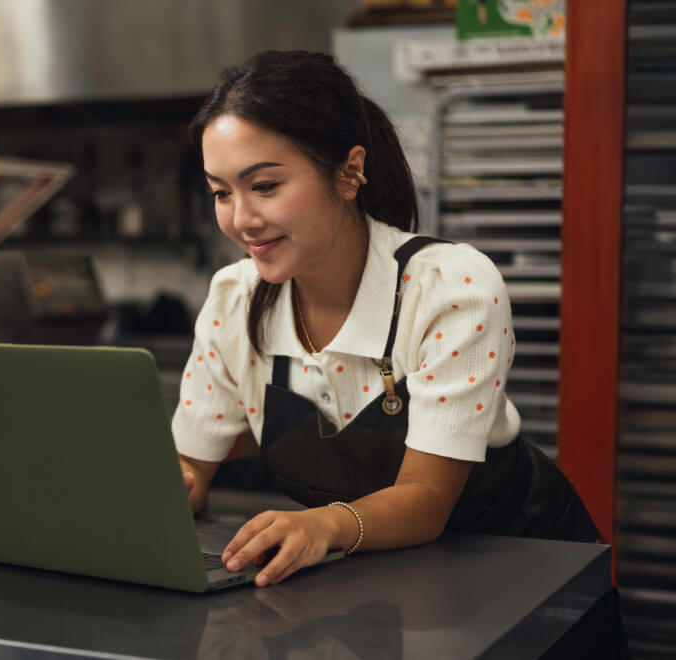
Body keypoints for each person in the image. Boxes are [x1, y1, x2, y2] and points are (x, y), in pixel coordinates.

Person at [172, 50, 603, 590]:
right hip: (382, 588)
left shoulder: (449, 287)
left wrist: (322, 524)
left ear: (350, 172)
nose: (241, 220)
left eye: (264, 187)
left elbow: (425, 501)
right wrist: (151, 498)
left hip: (525, 577)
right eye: (220, 193)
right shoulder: (235, 299)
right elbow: (187, 470)